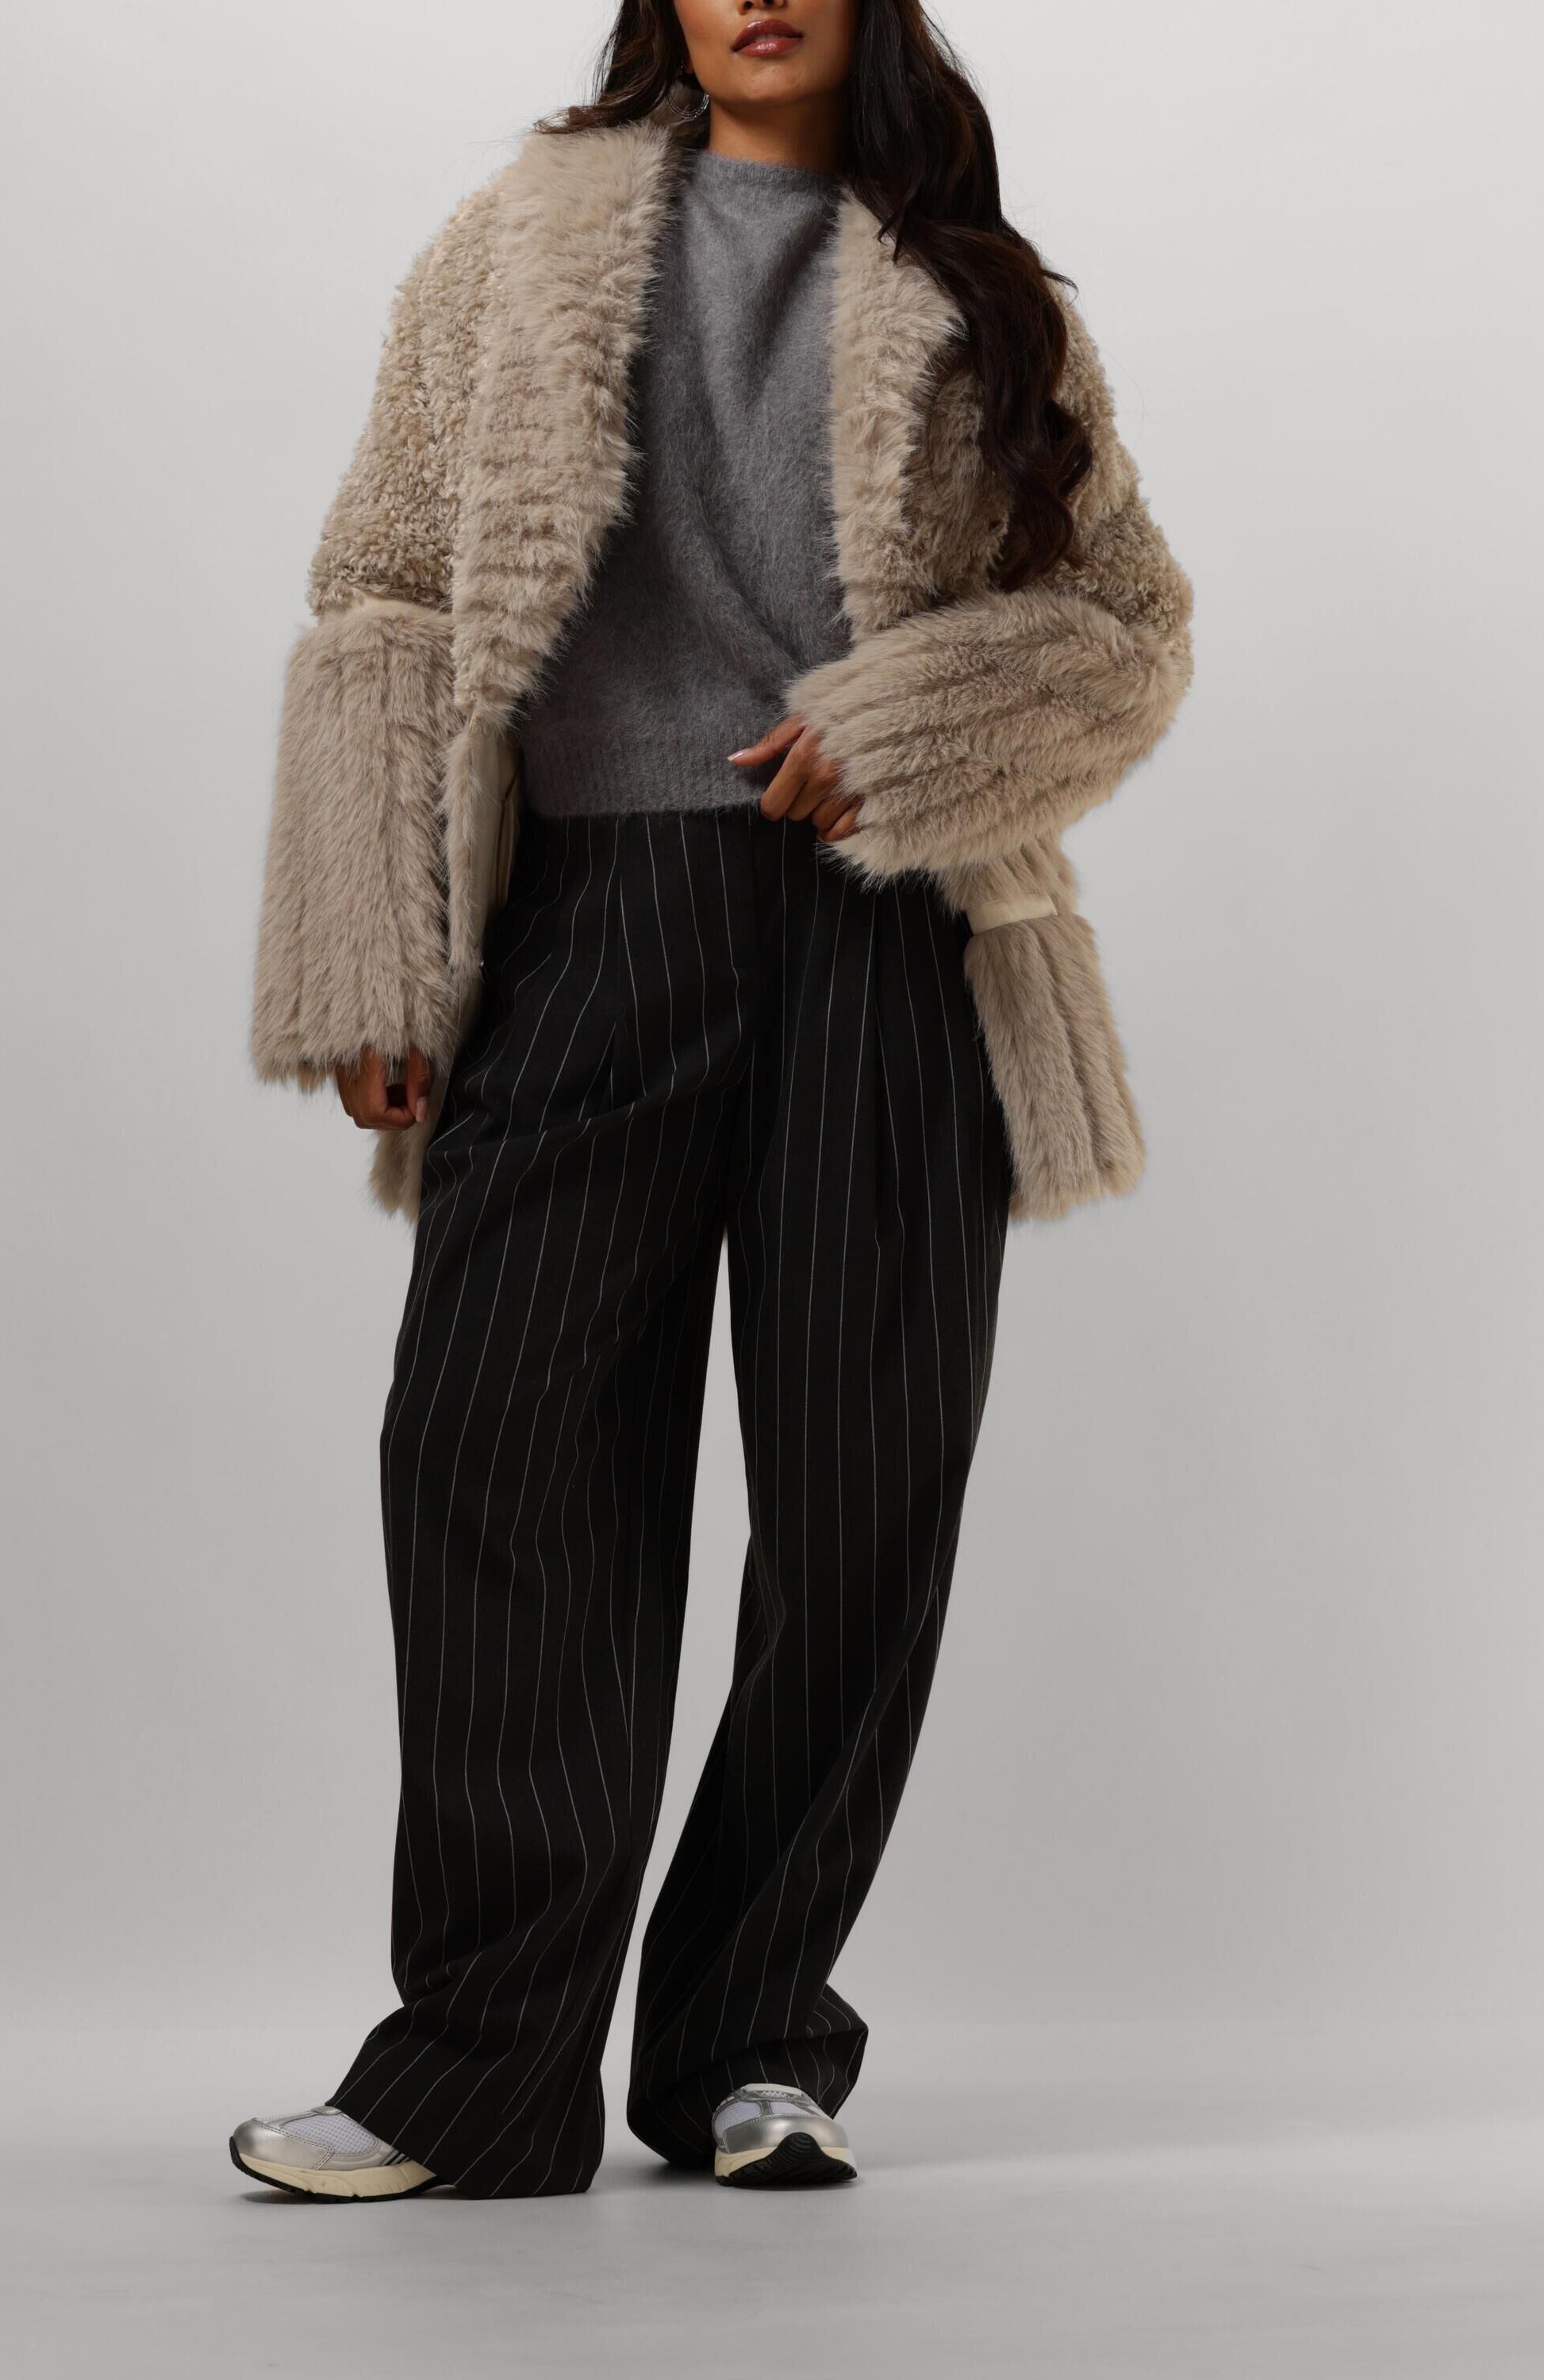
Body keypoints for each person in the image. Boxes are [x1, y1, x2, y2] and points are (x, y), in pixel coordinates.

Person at [236, 0, 1192, 2201]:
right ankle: (480, 2065)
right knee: (493, 1455)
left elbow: (1126, 622)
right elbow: (384, 586)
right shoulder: (510, 246)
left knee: (860, 1506)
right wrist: (376, 942)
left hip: (891, 937)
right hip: (586, 924)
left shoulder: (980, 284)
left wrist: (913, 718)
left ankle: (751, 2044)